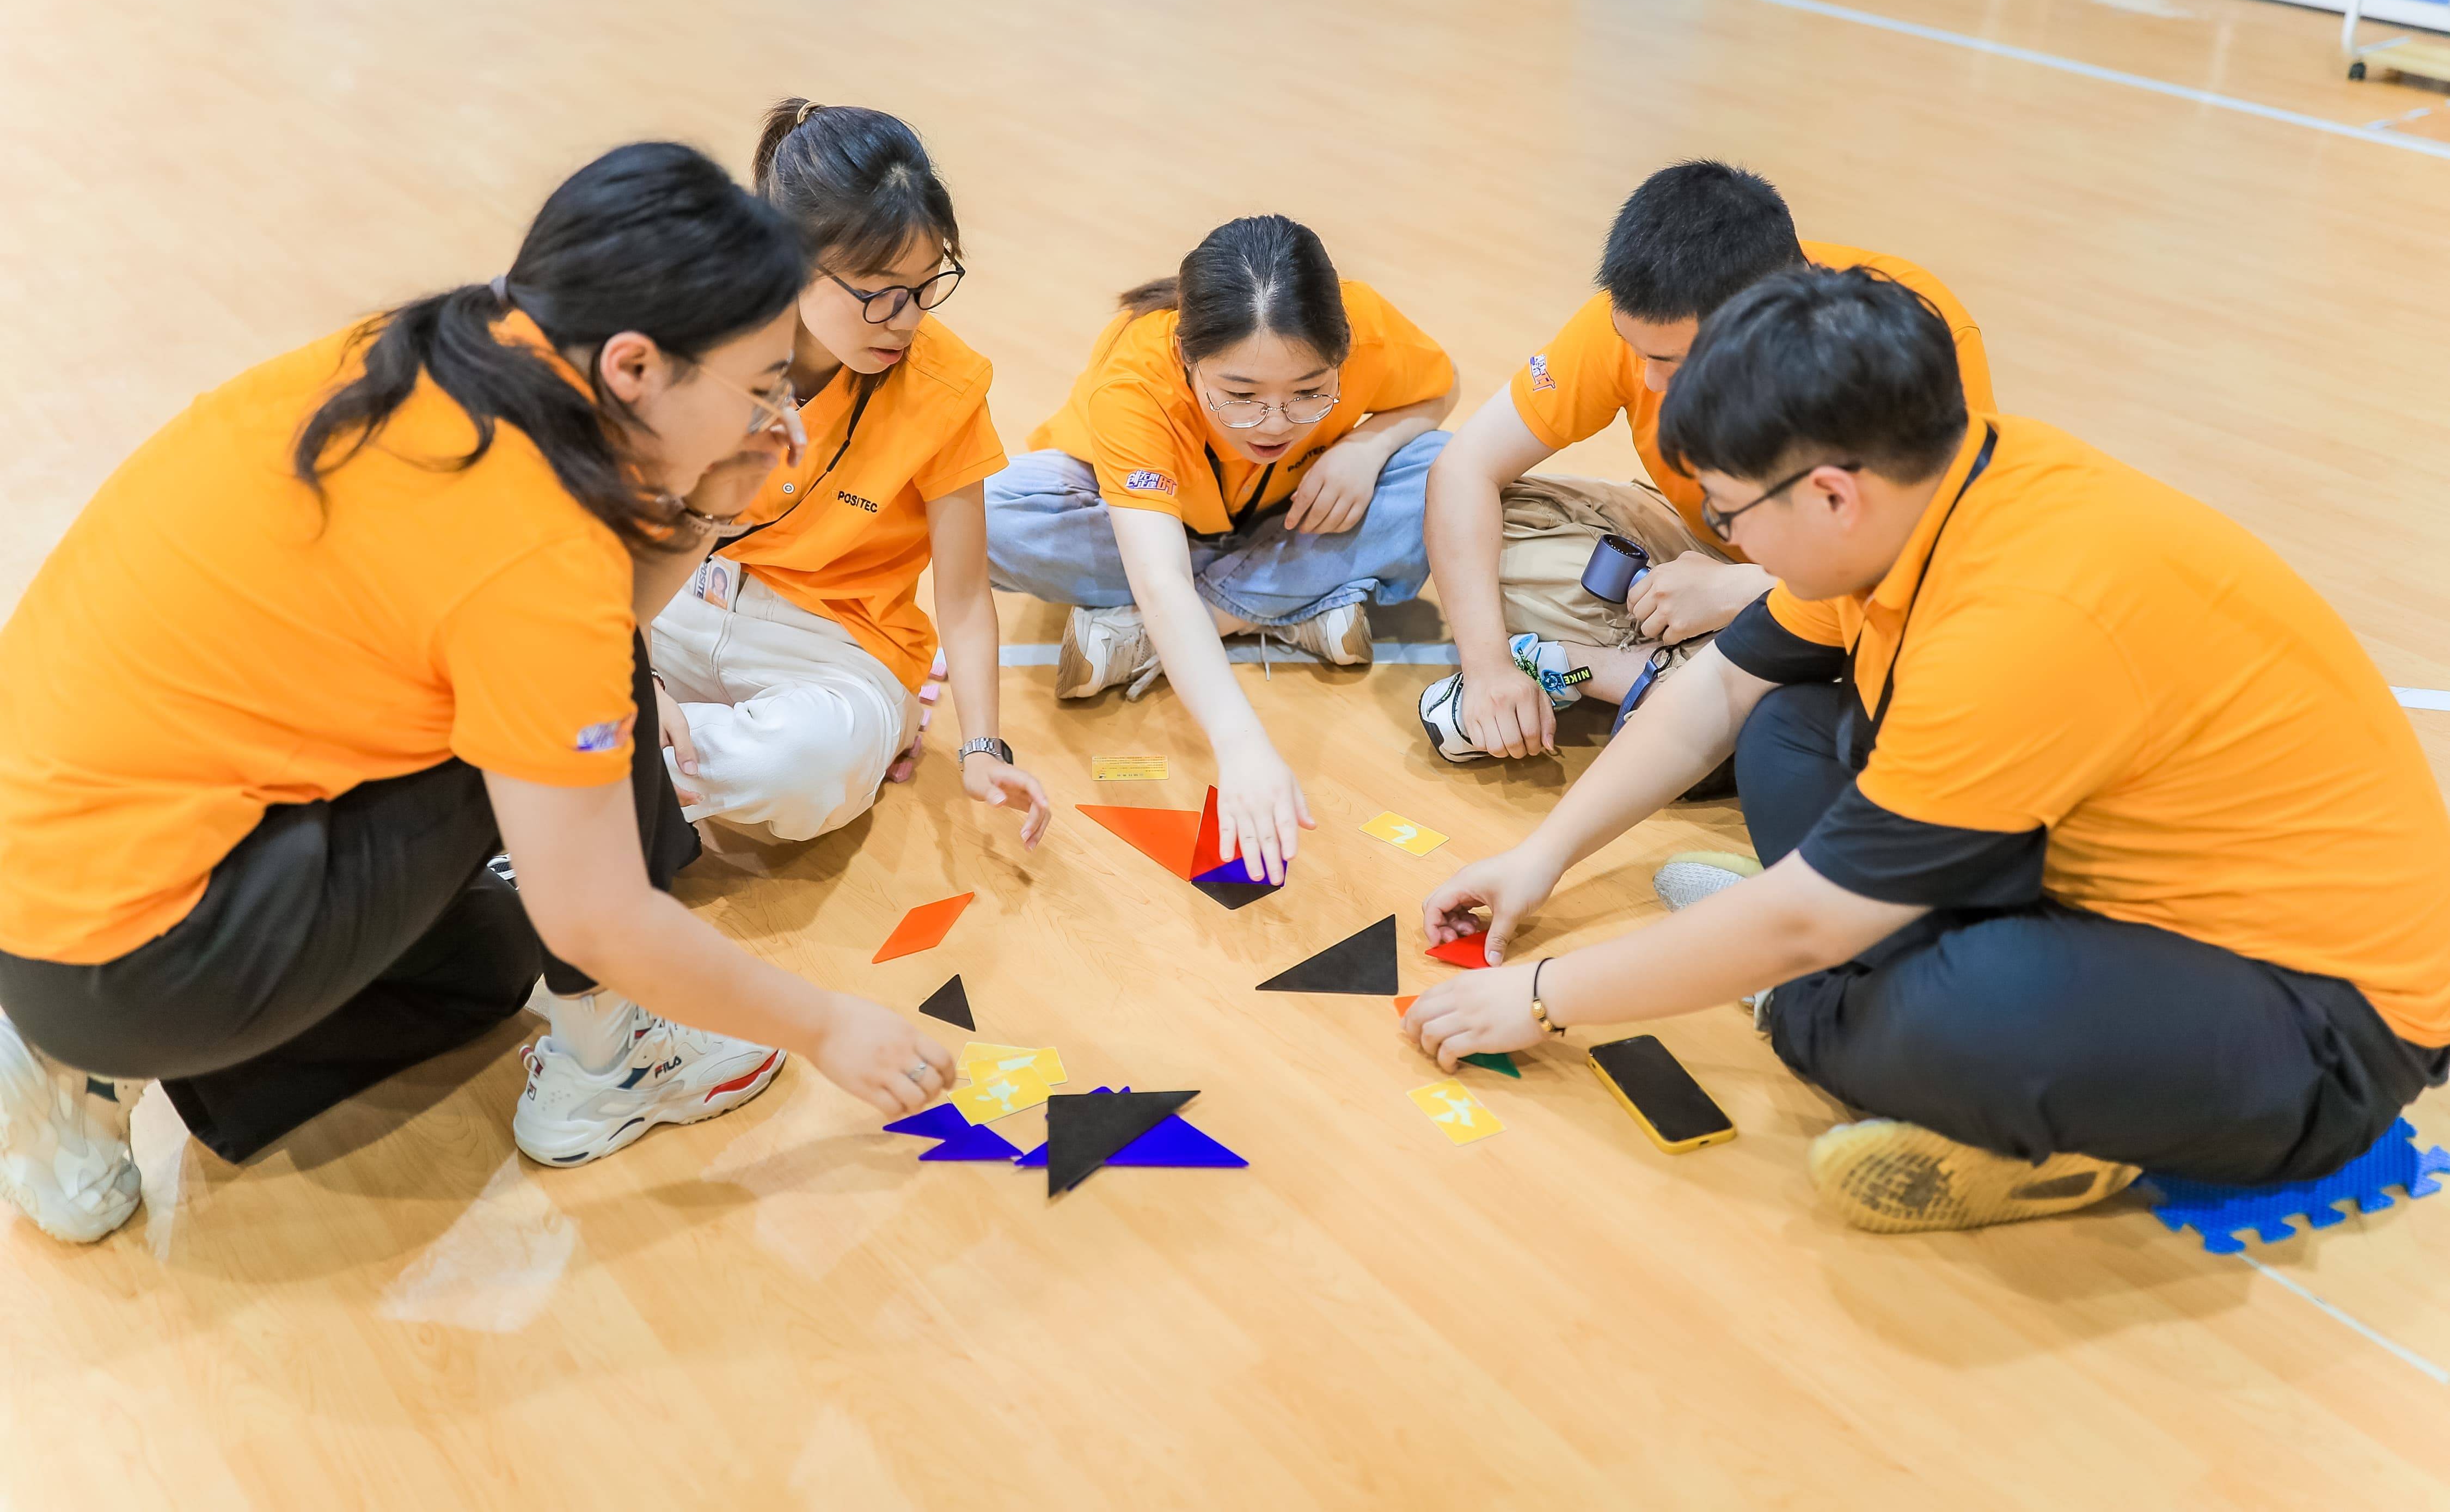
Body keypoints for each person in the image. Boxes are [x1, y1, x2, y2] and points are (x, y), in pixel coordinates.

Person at [0, 144, 955, 1246]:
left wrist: (703, 508)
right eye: (757, 387)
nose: (772, 416)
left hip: (55, 867)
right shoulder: (541, 550)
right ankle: (612, 1065)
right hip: (140, 960)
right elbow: (595, 911)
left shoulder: (442, 349)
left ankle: (57, 1049)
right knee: (574, 847)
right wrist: (830, 1025)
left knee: (490, 955)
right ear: (636, 368)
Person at [1404, 267, 2450, 1235]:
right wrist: (1540, 858)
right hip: (2107, 892)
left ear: (1828, 493)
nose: (1733, 545)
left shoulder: (2027, 613)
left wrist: (1545, 993)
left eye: (1727, 514)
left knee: (1931, 1008)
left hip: (2317, 1021)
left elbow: (1812, 919)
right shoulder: (1936, 489)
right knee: (1789, 727)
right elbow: (1719, 687)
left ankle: (2014, 1107)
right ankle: (1831, 978)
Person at [1417, 161, 1994, 764]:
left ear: (1762, 321)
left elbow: (1937, 562)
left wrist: (1741, 589)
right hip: (1697, 549)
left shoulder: (1915, 338)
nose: (1649, 380)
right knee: (1485, 524)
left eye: (1675, 361)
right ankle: (1683, 687)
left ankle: (1597, 669)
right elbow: (1464, 469)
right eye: (1635, 351)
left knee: (1897, 681)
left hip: (1845, 590)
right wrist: (1486, 669)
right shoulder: (1645, 320)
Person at [987, 216, 1457, 882]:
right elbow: (1159, 575)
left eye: (1309, 394)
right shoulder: (1136, 378)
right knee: (984, 514)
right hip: (1149, 525)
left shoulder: (1368, 328)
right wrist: (1241, 745)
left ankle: (1160, 634)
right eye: (1239, 396)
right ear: (1186, 355)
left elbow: (1441, 391)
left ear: (1343, 351)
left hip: (1293, 513)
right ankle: (1292, 600)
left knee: (1448, 473)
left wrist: (1367, 446)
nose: (1273, 425)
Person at [650, 101, 1049, 851]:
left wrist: (982, 748)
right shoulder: (700, 336)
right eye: (876, 291)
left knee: (798, 766)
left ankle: (603, 767)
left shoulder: (948, 385)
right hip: (674, 604)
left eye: (928, 285)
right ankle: (639, 758)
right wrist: (630, 673)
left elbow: (963, 599)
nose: (905, 318)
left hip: (839, 646)